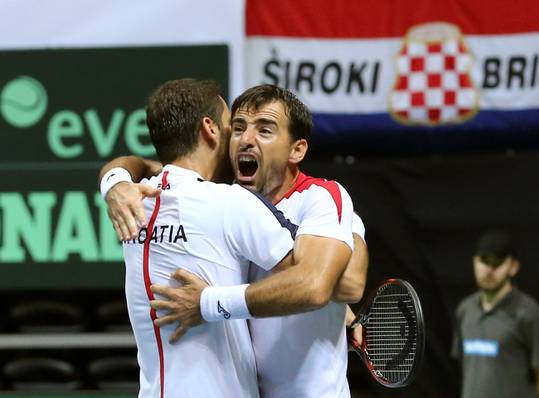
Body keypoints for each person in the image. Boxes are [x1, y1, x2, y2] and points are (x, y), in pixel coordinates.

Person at [100, 84, 368, 398]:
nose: (245, 139)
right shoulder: (223, 200)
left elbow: (330, 285)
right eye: (237, 128)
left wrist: (207, 303)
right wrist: (115, 182)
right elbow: (148, 165)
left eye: (265, 130)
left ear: (296, 150)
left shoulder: (319, 200)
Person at [452, 230, 539, 398]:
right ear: (474, 262)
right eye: (484, 261)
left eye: (497, 263)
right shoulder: (465, 310)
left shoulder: (529, 313)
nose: (489, 270)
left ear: (513, 267)